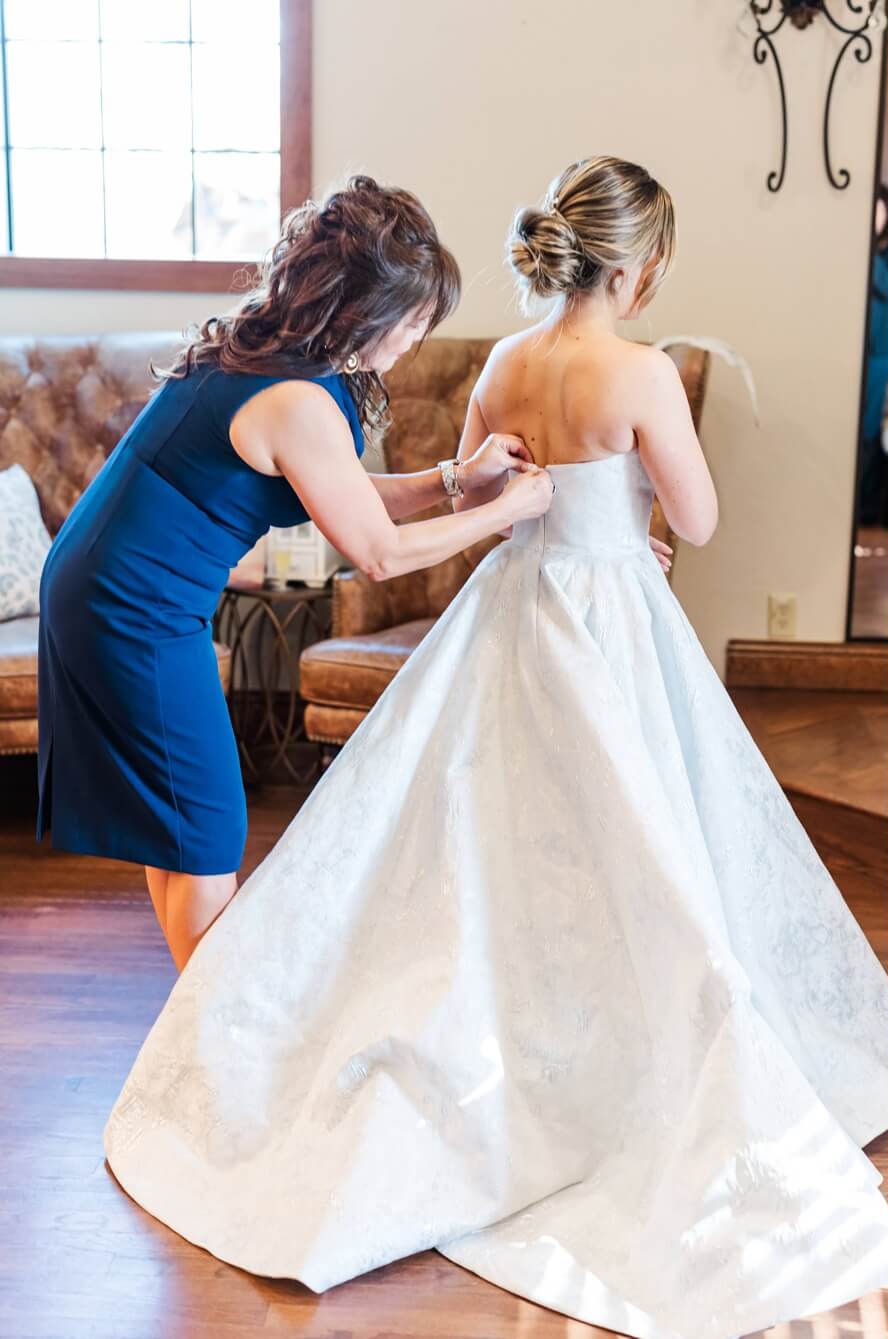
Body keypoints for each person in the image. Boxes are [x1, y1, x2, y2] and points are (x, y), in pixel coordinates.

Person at [102, 156, 888, 1339]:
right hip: (612, 620)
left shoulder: (509, 364)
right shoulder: (640, 371)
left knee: (488, 843)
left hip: (516, 616)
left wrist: (565, 507)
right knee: (648, 839)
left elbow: (479, 484)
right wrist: (630, 520)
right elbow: (701, 517)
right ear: (640, 268)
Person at [35, 175, 574, 970]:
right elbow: (377, 553)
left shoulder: (263, 357)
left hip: (105, 592)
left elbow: (342, 494)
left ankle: (199, 1030)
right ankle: (214, 1046)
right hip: (132, 614)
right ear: (368, 311)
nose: (416, 339)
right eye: (417, 320)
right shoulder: (297, 400)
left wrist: (462, 479)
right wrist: (510, 510)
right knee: (208, 828)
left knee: (180, 831)